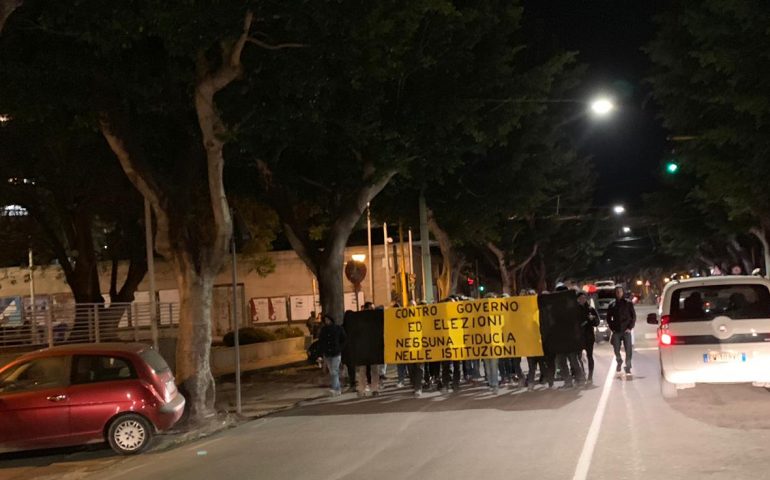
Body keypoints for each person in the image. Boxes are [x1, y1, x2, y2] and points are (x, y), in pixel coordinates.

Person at [606, 286, 636, 377]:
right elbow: (608, 318)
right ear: (615, 293)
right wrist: (612, 328)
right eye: (617, 292)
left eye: (620, 291)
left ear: (623, 292)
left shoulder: (628, 303)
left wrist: (630, 328)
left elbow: (633, 317)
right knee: (616, 349)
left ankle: (628, 367)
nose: (619, 293)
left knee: (628, 350)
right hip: (616, 330)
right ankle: (619, 361)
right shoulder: (612, 304)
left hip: (626, 330)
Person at [318, 314, 346, 396]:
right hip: (327, 354)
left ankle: (335, 389)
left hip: (336, 353)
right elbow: (321, 341)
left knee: (334, 371)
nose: (327, 321)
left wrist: (340, 348)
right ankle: (338, 389)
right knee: (332, 372)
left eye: (328, 320)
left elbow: (344, 339)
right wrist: (321, 352)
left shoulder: (338, 328)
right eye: (325, 320)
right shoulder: (323, 330)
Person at [577, 291, 600, 383]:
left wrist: (592, 319)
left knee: (589, 356)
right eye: (580, 298)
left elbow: (597, 322)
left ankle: (590, 377)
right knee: (578, 357)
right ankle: (582, 374)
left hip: (589, 336)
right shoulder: (575, 310)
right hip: (578, 337)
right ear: (577, 300)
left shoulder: (590, 309)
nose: (582, 300)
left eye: (584, 298)